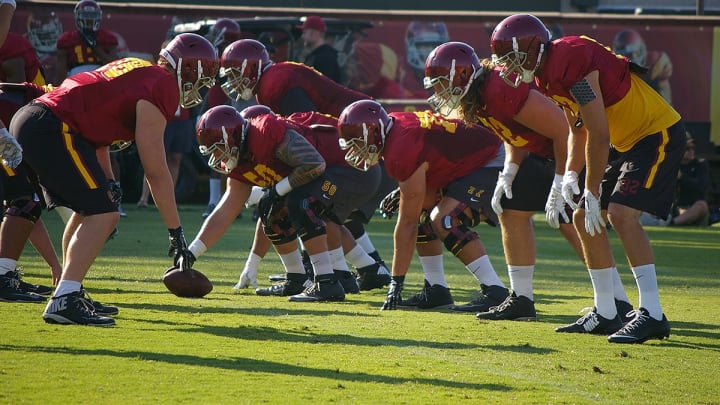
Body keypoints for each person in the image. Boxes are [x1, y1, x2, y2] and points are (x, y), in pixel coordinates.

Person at [491, 13, 683, 343]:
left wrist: (591, 189)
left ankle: (652, 313)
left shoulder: (569, 61)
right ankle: (606, 311)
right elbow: (576, 129)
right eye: (505, 59)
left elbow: (597, 129)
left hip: (655, 132)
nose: (510, 66)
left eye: (514, 57)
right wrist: (569, 176)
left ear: (534, 48)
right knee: (582, 217)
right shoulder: (545, 76)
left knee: (621, 215)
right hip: (626, 141)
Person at [9, 32, 219, 326]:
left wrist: (109, 182)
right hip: (53, 126)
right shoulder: (162, 85)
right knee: (103, 213)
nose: (203, 84)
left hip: (41, 121)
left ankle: (68, 289)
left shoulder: (139, 67)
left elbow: (98, 132)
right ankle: (64, 299)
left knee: (93, 209)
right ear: (187, 67)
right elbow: (156, 170)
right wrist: (175, 231)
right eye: (203, 74)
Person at [422, 41, 635, 321]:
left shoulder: (499, 88)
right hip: (543, 154)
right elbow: (515, 134)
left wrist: (561, 180)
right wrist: (509, 171)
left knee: (574, 222)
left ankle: (618, 301)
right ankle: (521, 299)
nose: (438, 91)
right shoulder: (478, 96)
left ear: (461, 75)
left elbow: (563, 131)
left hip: (574, 152)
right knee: (512, 211)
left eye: (441, 82)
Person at [219, 38, 391, 288]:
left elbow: (304, 134)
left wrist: (273, 190)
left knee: (308, 204)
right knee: (323, 208)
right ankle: (369, 269)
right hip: (357, 157)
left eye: (236, 73)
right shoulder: (273, 79)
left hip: (361, 154)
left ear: (250, 67)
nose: (233, 81)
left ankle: (329, 274)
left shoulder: (274, 84)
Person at [188, 104, 384, 301]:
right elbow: (224, 213)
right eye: (212, 151)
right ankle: (298, 278)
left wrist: (275, 190)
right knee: (273, 209)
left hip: (353, 173)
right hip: (327, 177)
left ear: (234, 136)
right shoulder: (240, 162)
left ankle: (327, 282)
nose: (216, 156)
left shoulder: (266, 133)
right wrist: (192, 252)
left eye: (219, 148)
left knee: (305, 204)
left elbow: (314, 164)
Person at [337, 100, 510, 311]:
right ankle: (436, 289)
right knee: (421, 215)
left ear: (373, 132)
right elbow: (431, 155)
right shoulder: (395, 126)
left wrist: (396, 283)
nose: (356, 150)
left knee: (444, 220)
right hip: (469, 164)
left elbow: (406, 224)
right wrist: (405, 189)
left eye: (358, 142)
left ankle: (495, 290)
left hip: (494, 161)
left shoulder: (400, 149)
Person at [641, 133, 710, 226]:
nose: (691, 151)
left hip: (692, 209)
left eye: (693, 148)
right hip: (673, 210)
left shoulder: (700, 164)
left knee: (701, 205)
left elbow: (700, 187)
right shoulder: (670, 164)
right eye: (687, 148)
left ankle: (670, 223)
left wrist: (682, 177)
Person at [55, 0, 118, 82]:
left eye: (92, 15)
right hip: (76, 79)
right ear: (77, 16)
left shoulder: (108, 38)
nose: (89, 19)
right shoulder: (66, 40)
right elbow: (61, 74)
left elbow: (113, 67)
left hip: (100, 78)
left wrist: (95, 46)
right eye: (86, 15)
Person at [612, 29, 672, 104]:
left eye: (636, 53)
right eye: (628, 55)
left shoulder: (655, 64)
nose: (633, 58)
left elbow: (665, 105)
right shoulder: (611, 68)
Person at [296, 15, 342, 83]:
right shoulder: (314, 56)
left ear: (315, 33)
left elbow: (324, 86)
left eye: (304, 32)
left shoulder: (326, 57)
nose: (302, 37)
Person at [26, 10, 63, 86]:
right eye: (45, 35)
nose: (49, 39)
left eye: (52, 34)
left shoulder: (64, 51)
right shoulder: (26, 52)